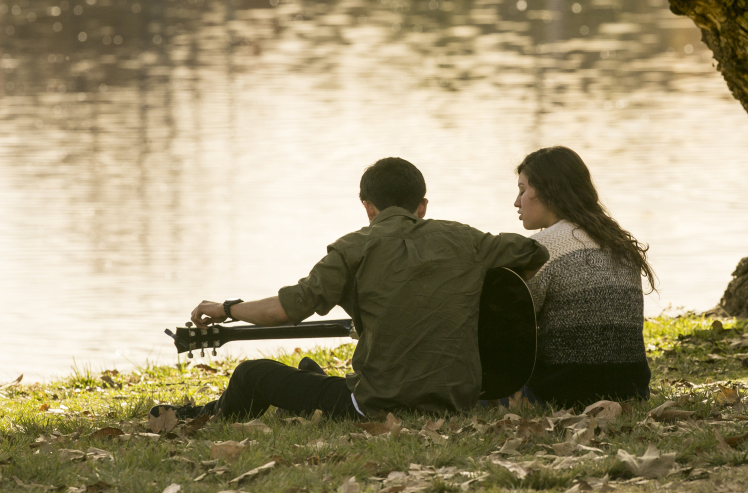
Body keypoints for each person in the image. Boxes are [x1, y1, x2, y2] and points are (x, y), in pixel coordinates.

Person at [151, 157, 549, 422]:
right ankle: (311, 376)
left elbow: (287, 309)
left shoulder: (352, 248)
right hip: (455, 400)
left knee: (251, 374)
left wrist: (227, 308)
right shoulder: (467, 240)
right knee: (313, 377)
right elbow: (533, 251)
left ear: (368, 207)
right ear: (423, 206)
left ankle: (206, 417)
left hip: (376, 405)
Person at [514, 146, 654, 408]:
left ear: (546, 190)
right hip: (630, 391)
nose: (516, 202)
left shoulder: (542, 249)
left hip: (564, 395)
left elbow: (508, 326)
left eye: (523, 190)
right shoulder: (618, 242)